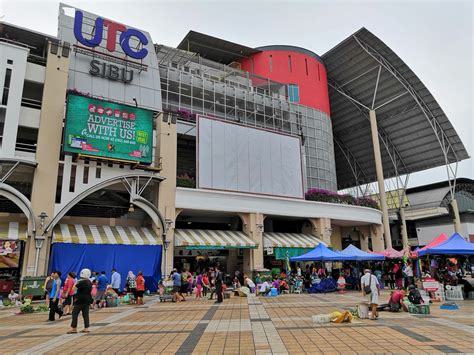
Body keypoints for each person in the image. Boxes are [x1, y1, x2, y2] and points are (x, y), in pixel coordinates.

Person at [68, 268, 92, 334]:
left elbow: (73, 289)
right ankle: (86, 328)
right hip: (87, 299)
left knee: (75, 313)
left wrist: (76, 283)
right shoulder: (89, 282)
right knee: (85, 314)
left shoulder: (81, 282)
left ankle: (74, 328)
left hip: (80, 299)